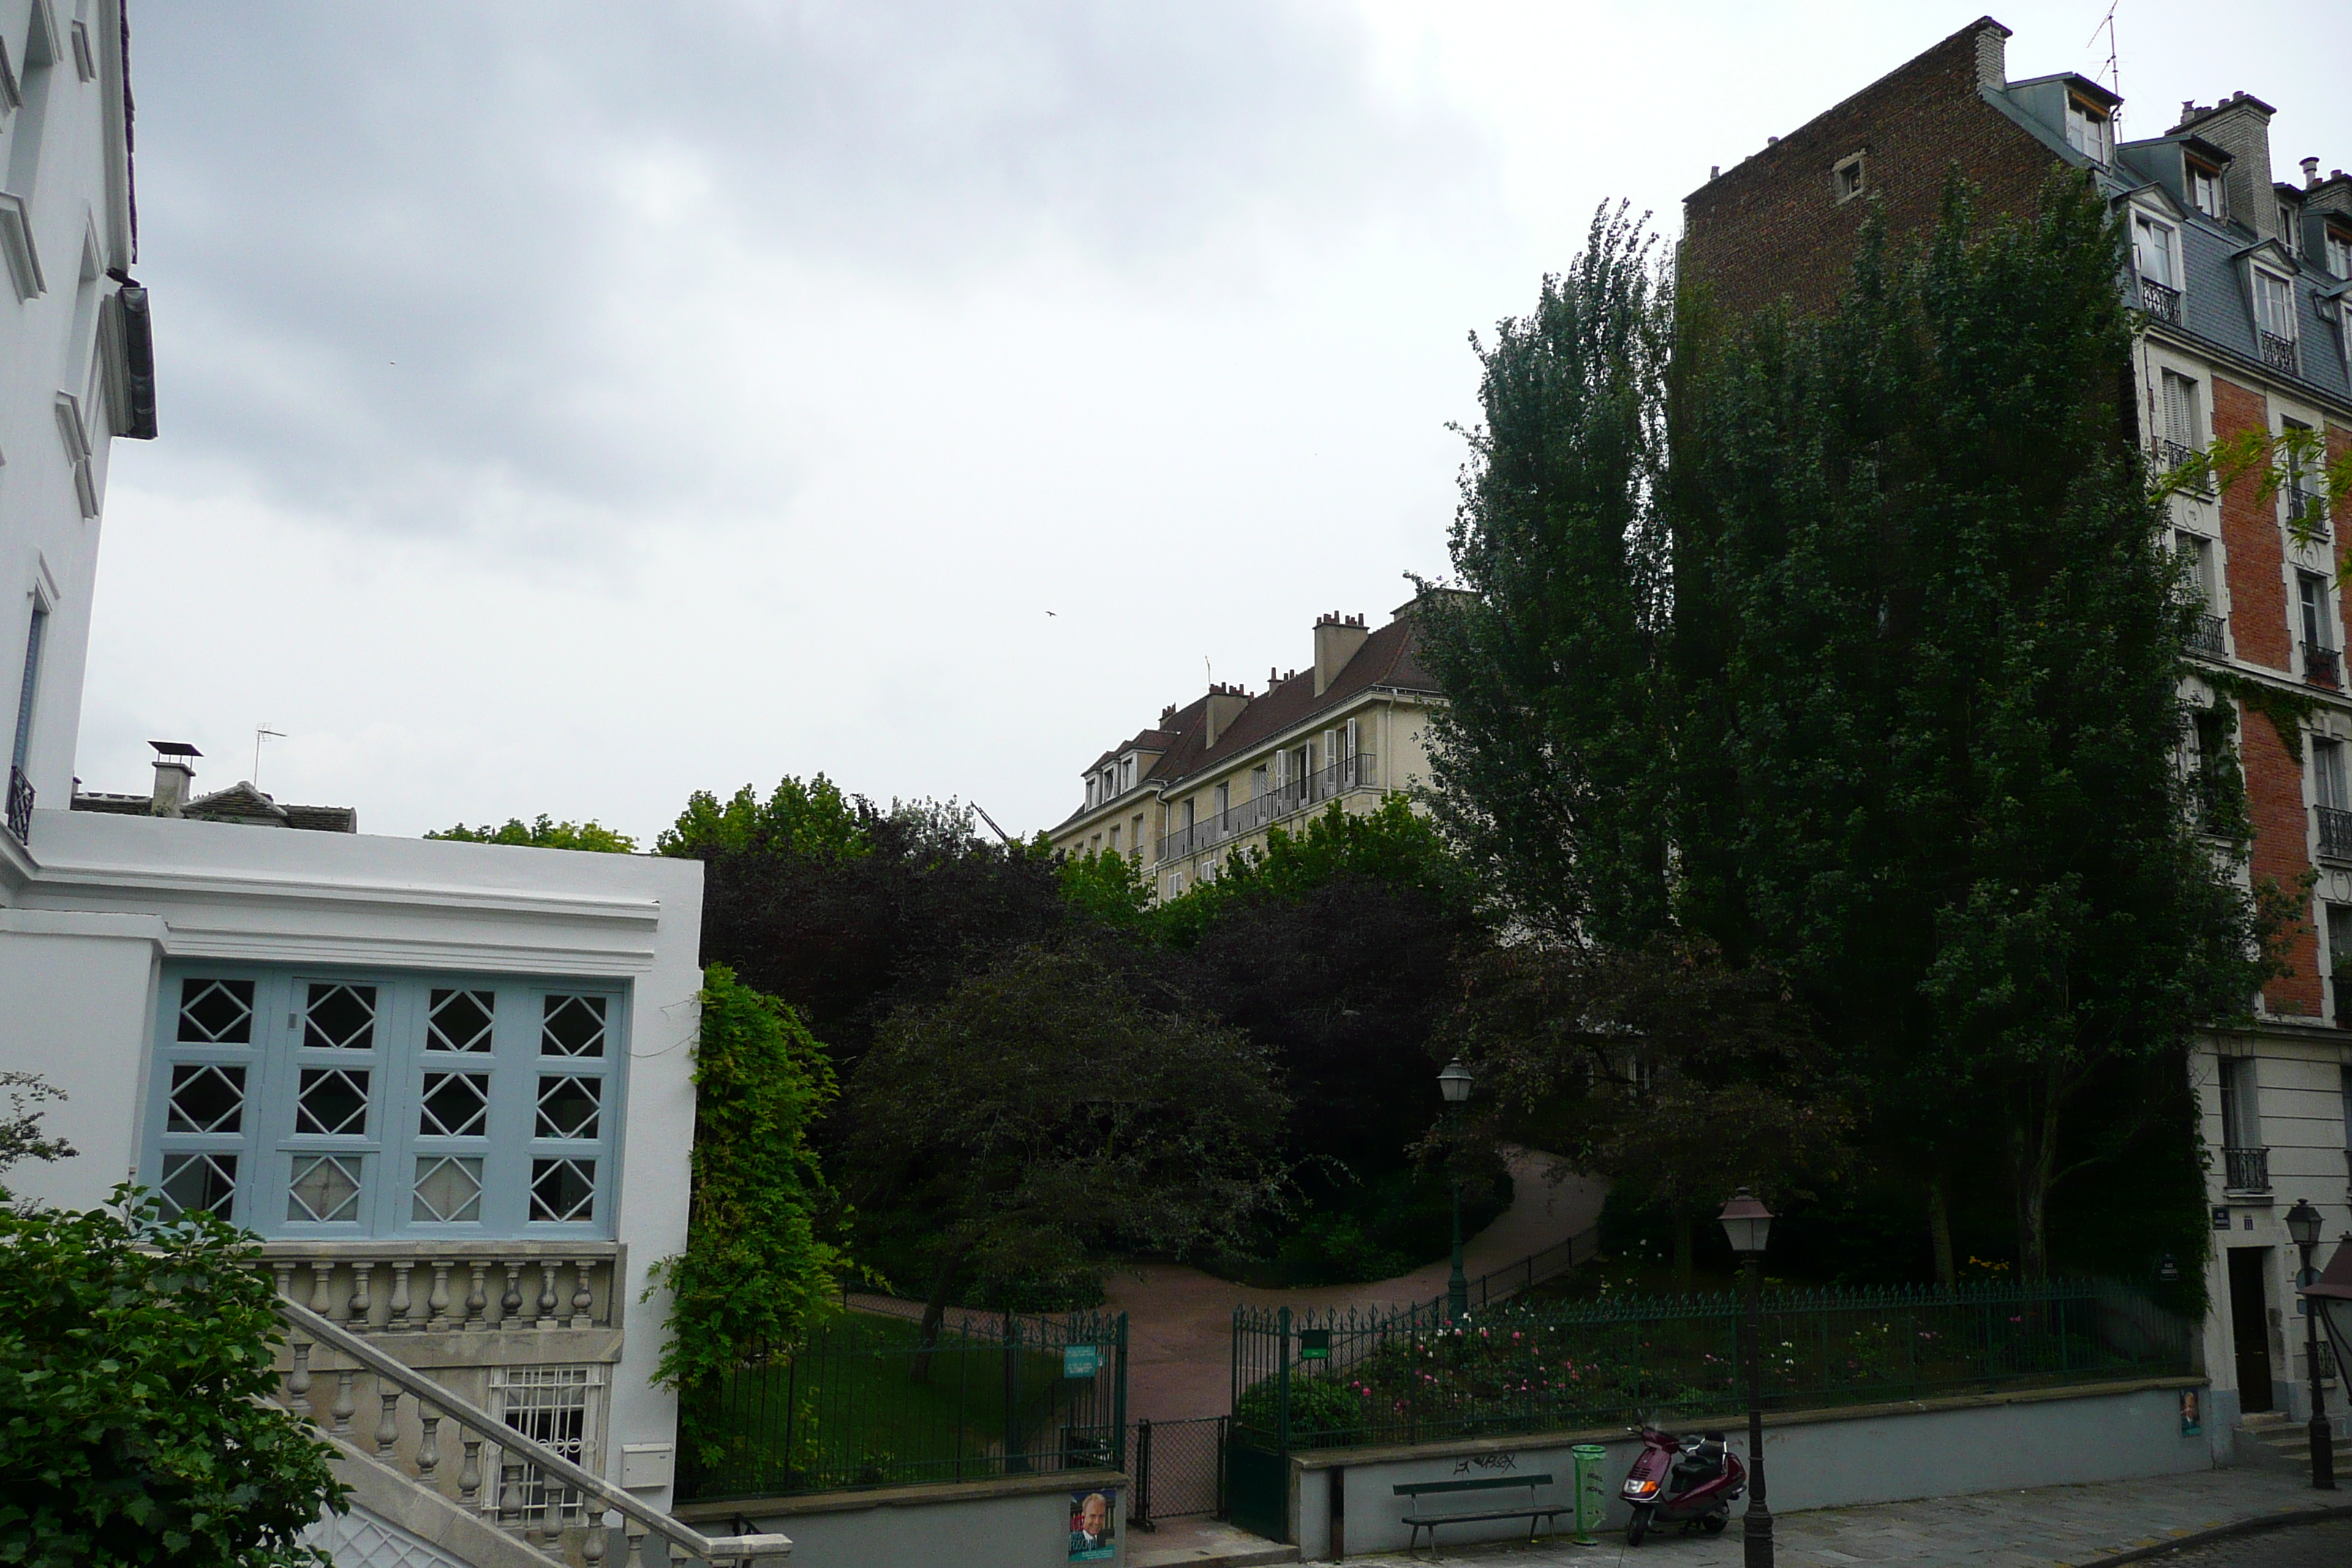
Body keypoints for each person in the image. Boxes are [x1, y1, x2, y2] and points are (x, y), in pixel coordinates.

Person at [1069, 1492, 1114, 1556]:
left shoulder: (1101, 1536)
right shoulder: (1072, 1541)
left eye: (1101, 1516)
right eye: (1093, 1516)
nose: (1097, 1522)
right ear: (1083, 1516)